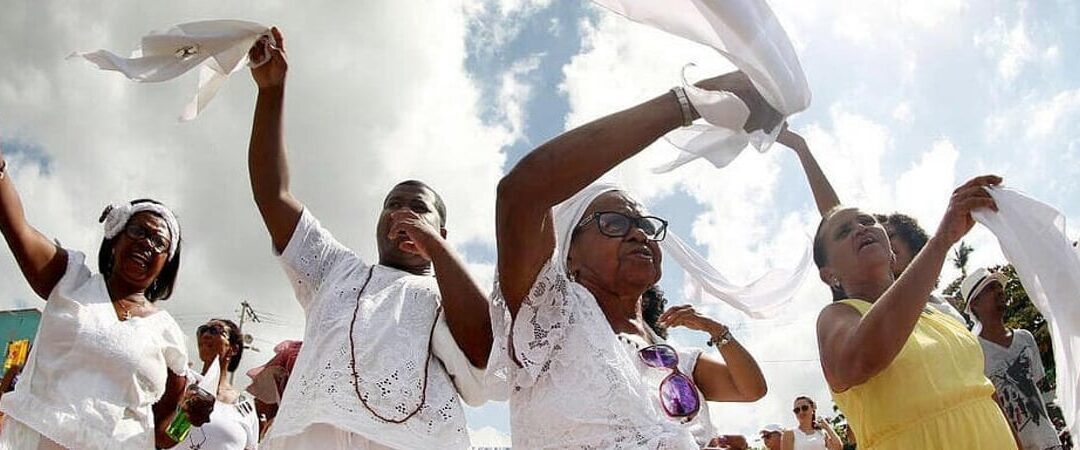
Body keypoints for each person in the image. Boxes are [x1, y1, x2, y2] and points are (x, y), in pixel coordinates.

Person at [493, 70, 774, 448]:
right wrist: (688, 102)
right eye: (613, 222)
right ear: (569, 253)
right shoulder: (550, 315)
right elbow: (522, 192)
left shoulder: (672, 354)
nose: (639, 233)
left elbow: (750, 389)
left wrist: (715, 331)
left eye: (644, 224)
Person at [246, 28, 492, 449]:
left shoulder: (444, 294)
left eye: (418, 208)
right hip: (309, 436)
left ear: (443, 234)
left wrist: (438, 251)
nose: (402, 213)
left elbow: (484, 356)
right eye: (392, 204)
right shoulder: (335, 269)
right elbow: (274, 196)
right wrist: (271, 91)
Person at [0, 140, 213, 449]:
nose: (146, 244)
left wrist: (189, 418)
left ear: (166, 263)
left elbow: (164, 437)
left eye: (159, 242)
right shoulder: (69, 279)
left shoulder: (168, 335)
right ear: (114, 237)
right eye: (138, 231)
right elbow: (17, 227)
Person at [813, 174, 1017, 449]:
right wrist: (942, 240)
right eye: (843, 232)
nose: (860, 229)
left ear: (892, 250)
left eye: (867, 221)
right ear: (830, 276)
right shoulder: (837, 317)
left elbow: (986, 392)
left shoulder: (939, 312)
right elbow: (862, 359)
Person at [779, 129, 964, 322]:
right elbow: (834, 215)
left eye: (889, 235)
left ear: (914, 246)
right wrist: (801, 148)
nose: (863, 231)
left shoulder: (943, 309)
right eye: (845, 231)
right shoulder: (859, 315)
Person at [963, 268, 1063, 450]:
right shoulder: (973, 352)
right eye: (991, 288)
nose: (1000, 291)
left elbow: (1038, 387)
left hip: (1049, 441)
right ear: (975, 303)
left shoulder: (1025, 338)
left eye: (999, 286)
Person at [181, 319, 259, 450]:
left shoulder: (245, 406)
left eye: (215, 330)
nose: (205, 335)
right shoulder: (184, 383)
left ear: (233, 348)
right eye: (202, 330)